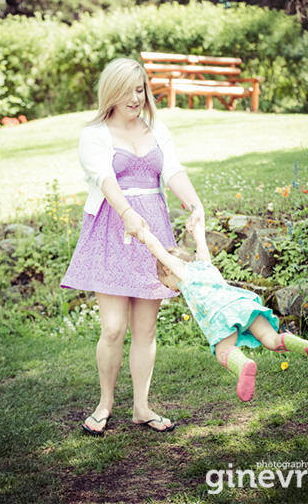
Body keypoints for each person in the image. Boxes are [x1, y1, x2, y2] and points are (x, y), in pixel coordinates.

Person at [61, 57, 205, 435]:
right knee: (112, 328)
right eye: (127, 90)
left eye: (140, 89)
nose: (135, 97)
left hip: (152, 231)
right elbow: (104, 178)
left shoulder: (156, 128)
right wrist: (126, 212)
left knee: (146, 329)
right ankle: (105, 403)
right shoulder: (94, 133)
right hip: (113, 228)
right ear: (111, 91)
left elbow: (172, 170)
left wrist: (195, 205)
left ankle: (142, 407)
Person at [140, 221, 308, 401]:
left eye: (168, 285)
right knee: (273, 340)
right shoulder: (205, 264)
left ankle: (243, 366)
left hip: (221, 313)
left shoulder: (181, 271)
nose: (173, 289)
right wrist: (197, 232)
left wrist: (143, 233)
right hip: (243, 305)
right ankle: (305, 344)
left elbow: (157, 250)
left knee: (224, 350)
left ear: (168, 269)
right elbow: (201, 243)